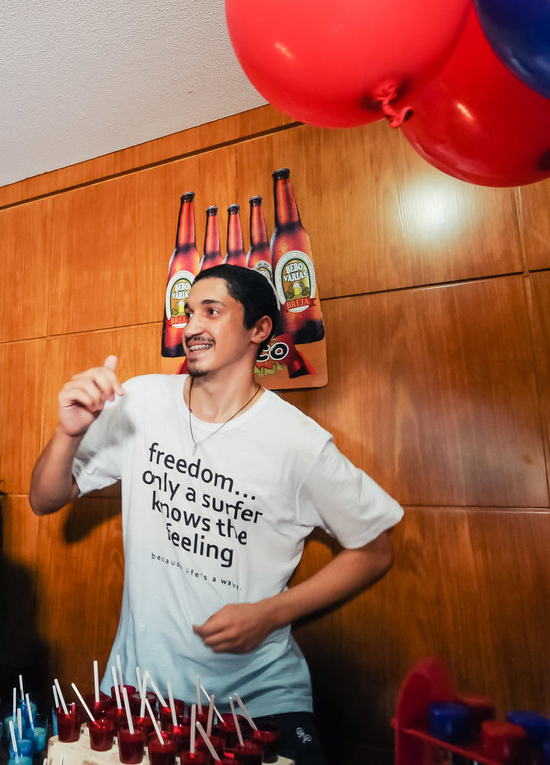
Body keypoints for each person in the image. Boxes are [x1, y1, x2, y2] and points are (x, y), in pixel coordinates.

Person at [30, 264, 403, 764]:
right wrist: (68, 432)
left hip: (257, 705)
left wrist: (270, 613)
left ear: (259, 328)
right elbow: (45, 499)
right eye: (187, 313)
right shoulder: (142, 400)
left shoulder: (299, 443)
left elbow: (374, 550)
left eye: (212, 311)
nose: (191, 327)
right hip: (139, 695)